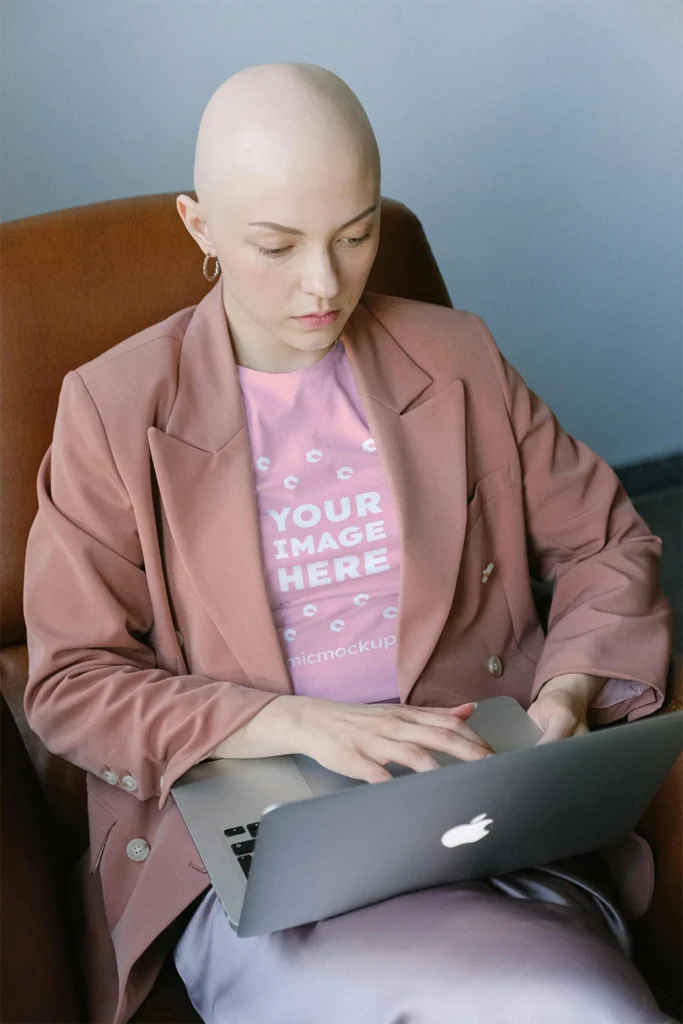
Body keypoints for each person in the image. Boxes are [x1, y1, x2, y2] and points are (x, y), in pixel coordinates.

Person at [22, 62, 675, 1024]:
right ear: (199, 227)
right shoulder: (115, 410)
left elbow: (607, 545)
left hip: (476, 808)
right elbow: (70, 681)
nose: (323, 285)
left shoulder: (457, 358)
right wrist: (295, 722)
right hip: (260, 838)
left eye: (357, 233)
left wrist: (566, 693)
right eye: (276, 246)